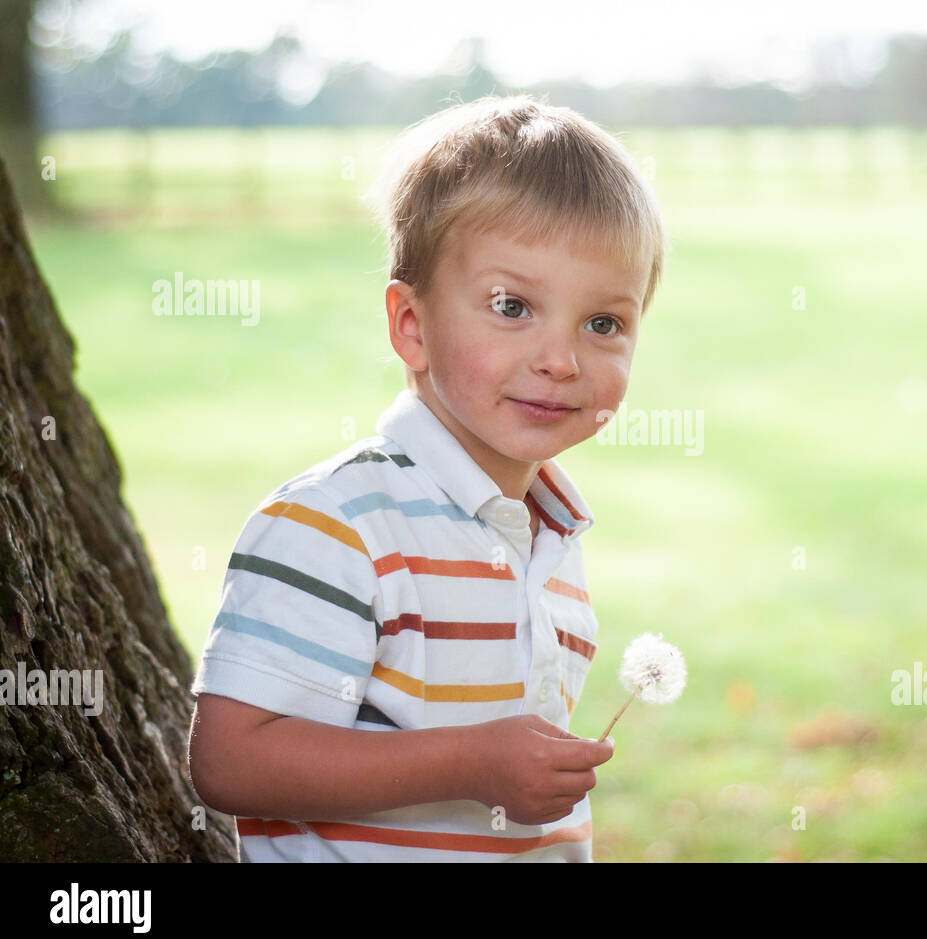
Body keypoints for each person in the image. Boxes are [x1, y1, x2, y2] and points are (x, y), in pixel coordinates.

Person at [186, 94, 668, 861]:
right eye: (513, 306)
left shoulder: (552, 539)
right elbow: (232, 757)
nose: (561, 359)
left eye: (603, 323)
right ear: (411, 326)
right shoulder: (337, 523)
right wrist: (469, 762)